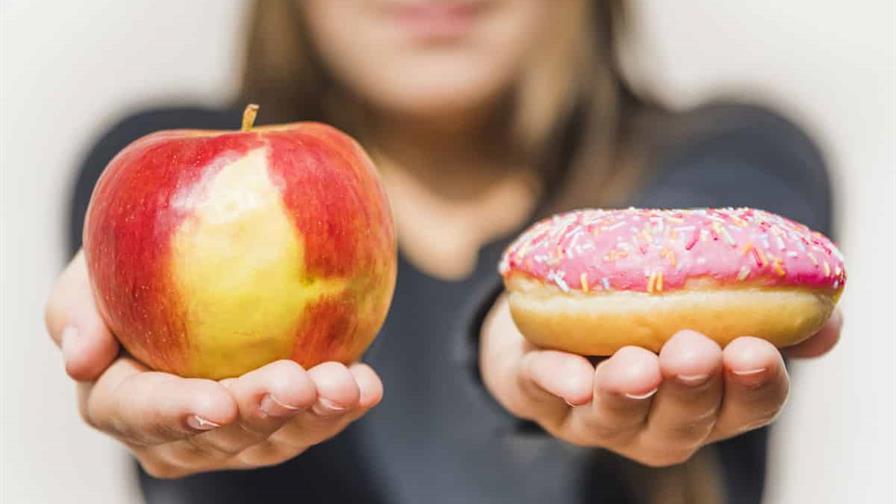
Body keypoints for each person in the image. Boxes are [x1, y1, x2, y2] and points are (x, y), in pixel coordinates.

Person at [44, 1, 842, 503]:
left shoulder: (731, 147)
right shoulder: (143, 170)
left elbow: (703, 230)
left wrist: (527, 333)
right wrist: (130, 299)